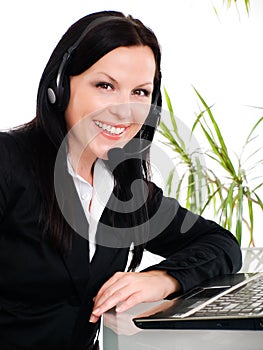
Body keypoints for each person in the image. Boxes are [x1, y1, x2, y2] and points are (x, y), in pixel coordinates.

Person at [0, 10, 242, 350]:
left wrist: (163, 278)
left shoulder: (127, 190)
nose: (124, 110)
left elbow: (220, 243)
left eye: (140, 93)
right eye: (105, 86)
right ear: (60, 86)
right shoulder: (8, 161)